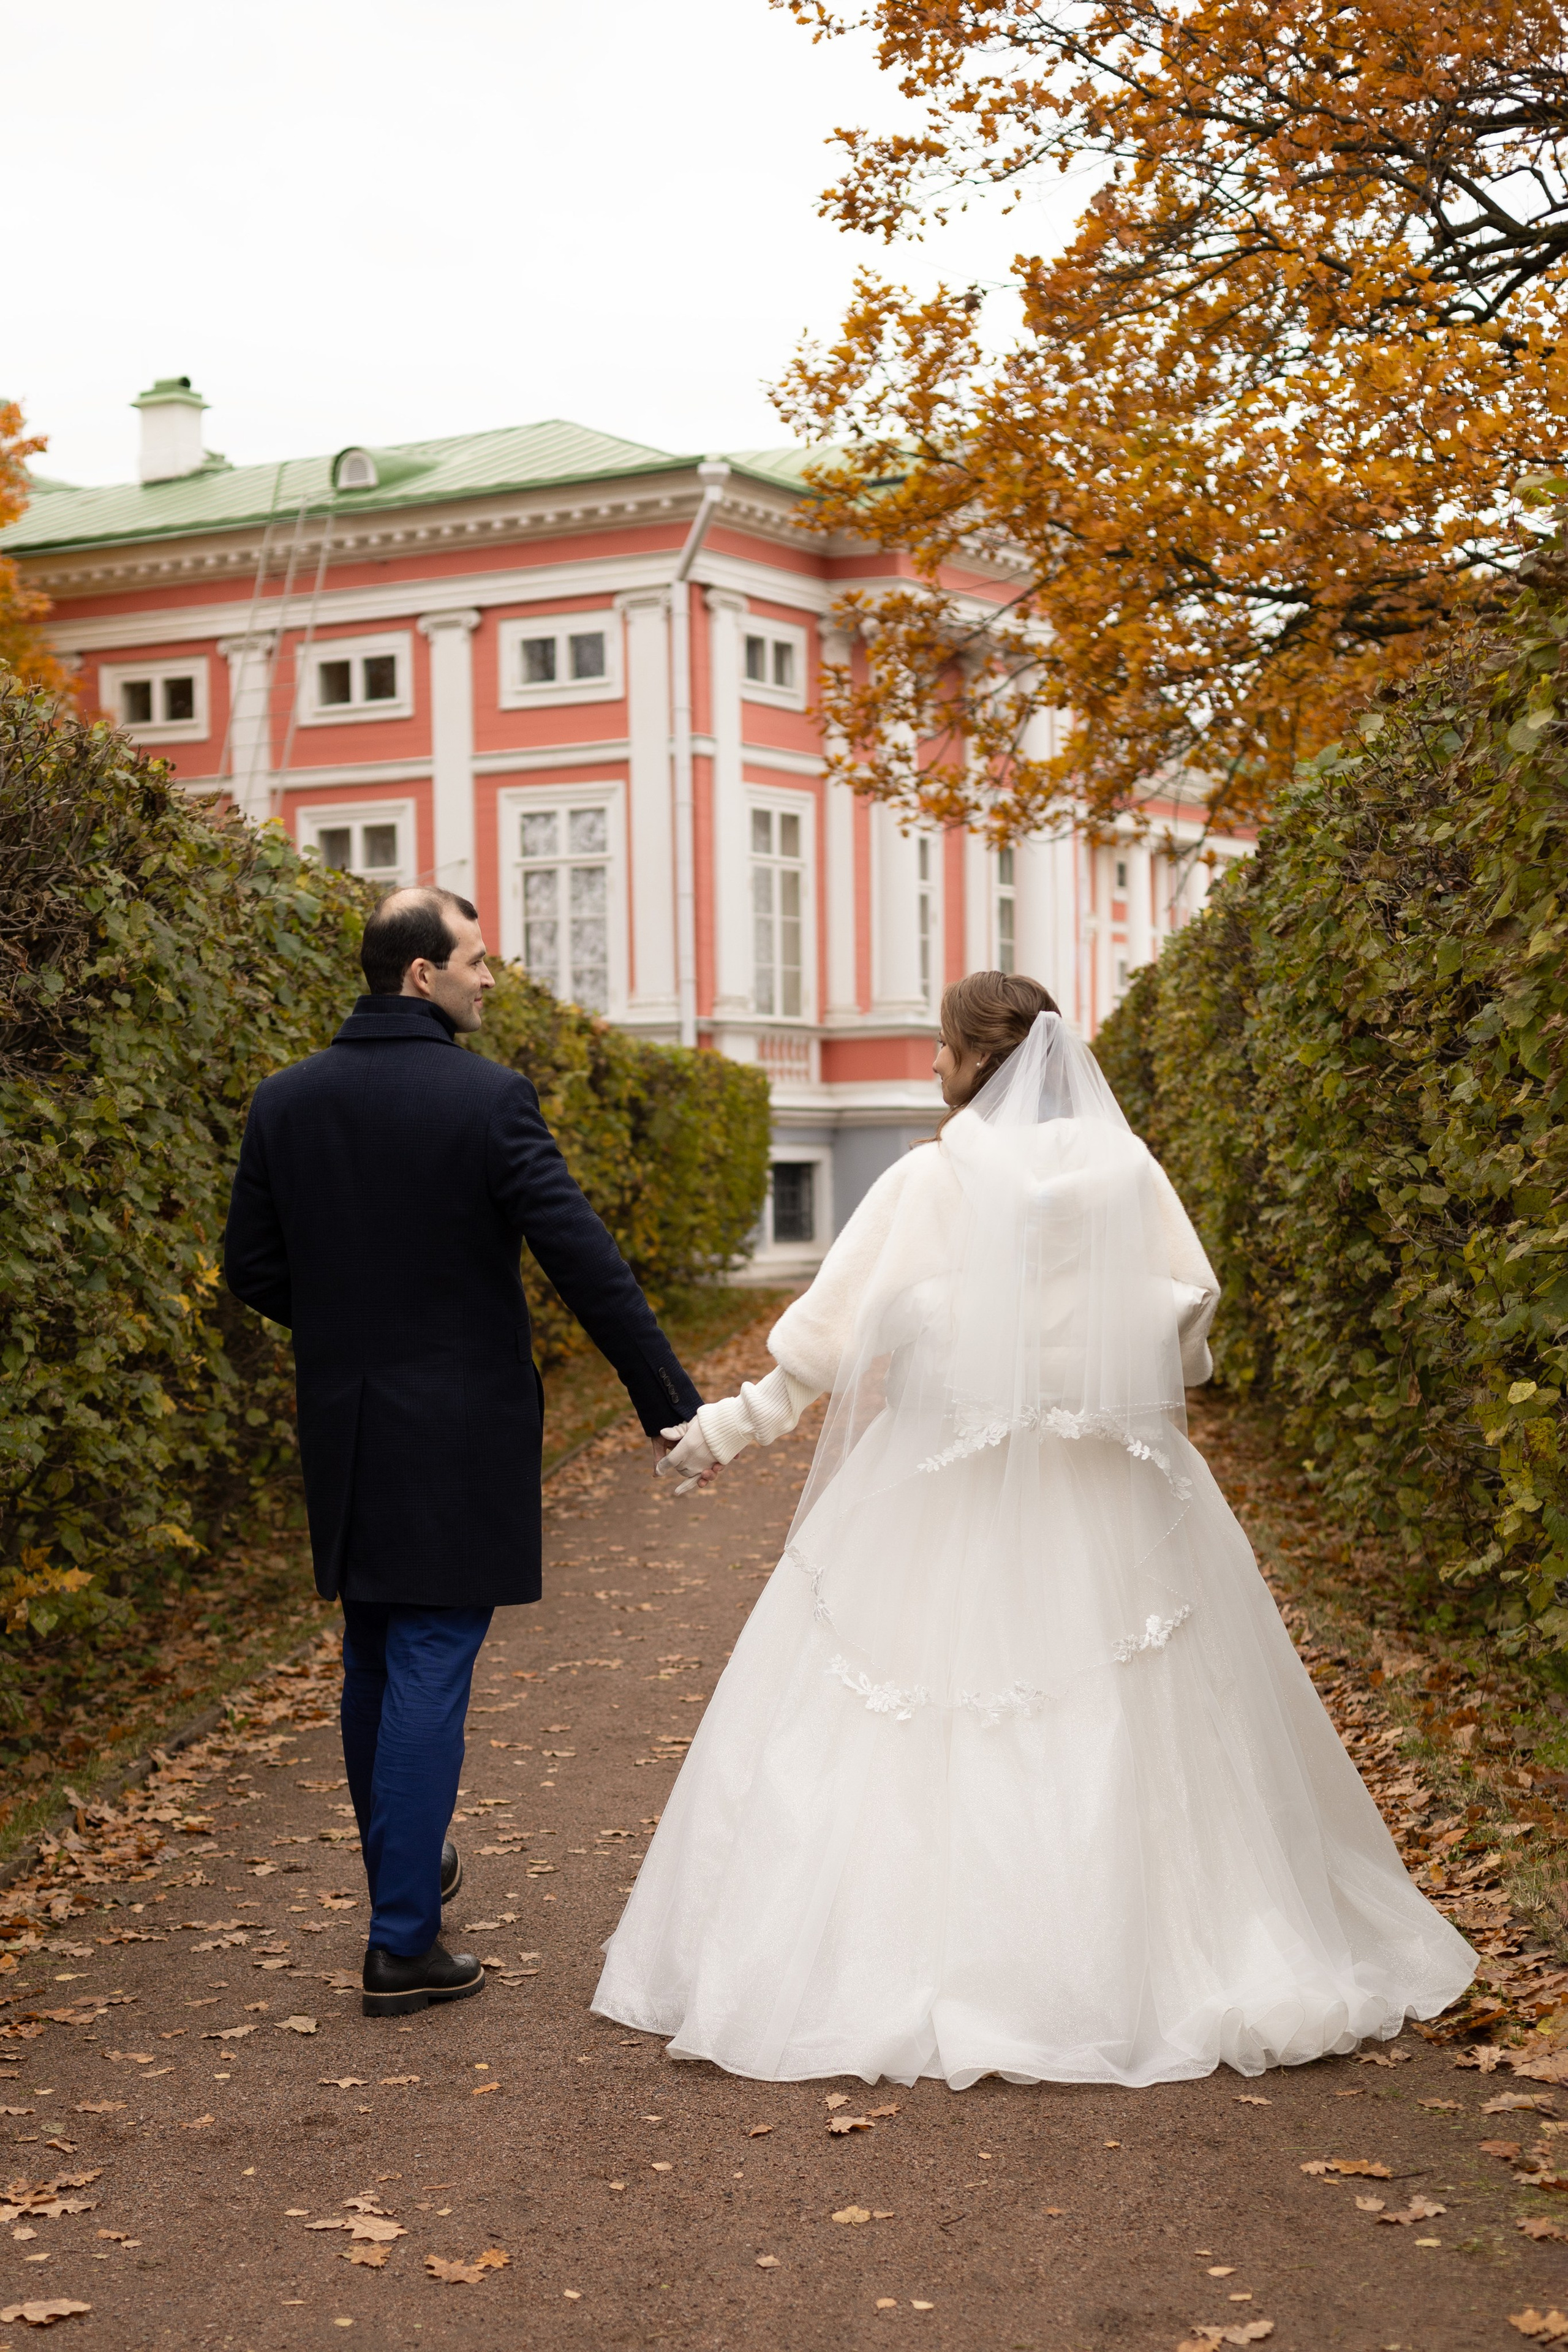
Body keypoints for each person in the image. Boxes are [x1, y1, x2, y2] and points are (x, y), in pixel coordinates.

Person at [592, 971, 1475, 2087]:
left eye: (942, 1048)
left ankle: (923, 1961)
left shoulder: (932, 1179)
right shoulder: (1127, 1172)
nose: (930, 1066)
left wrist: (724, 1431)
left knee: (903, 1711)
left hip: (939, 1492)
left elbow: (822, 1340)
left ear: (975, 1061)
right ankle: (1139, 1962)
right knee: (1141, 1708)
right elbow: (1190, 1312)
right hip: (1110, 1491)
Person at [225, 886, 703, 2017]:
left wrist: (355, 1332)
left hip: (346, 1419)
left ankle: (410, 1865)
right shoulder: (489, 1101)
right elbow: (580, 1256)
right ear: (420, 976)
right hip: (458, 1428)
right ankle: (400, 1943)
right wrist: (666, 1400)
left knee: (376, 1656)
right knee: (433, 1654)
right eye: (477, 961)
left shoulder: (285, 1101)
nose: (492, 978)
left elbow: (254, 1267)